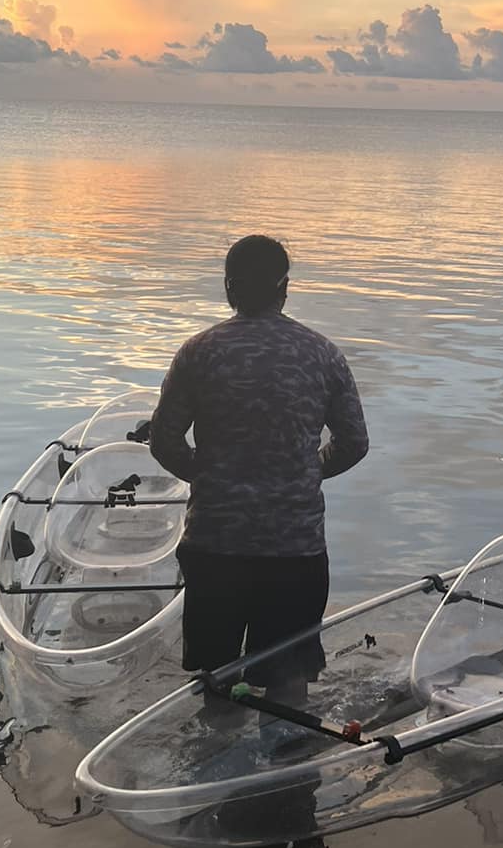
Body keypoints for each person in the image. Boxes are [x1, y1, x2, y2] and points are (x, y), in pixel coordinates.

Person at [148, 234, 368, 693]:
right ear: (285, 288)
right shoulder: (323, 355)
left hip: (215, 545)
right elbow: (354, 443)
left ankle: (213, 752)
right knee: (289, 681)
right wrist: (304, 472)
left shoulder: (198, 353)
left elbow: (165, 441)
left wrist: (211, 476)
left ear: (229, 288)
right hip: (294, 551)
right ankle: (289, 755)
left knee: (216, 681)